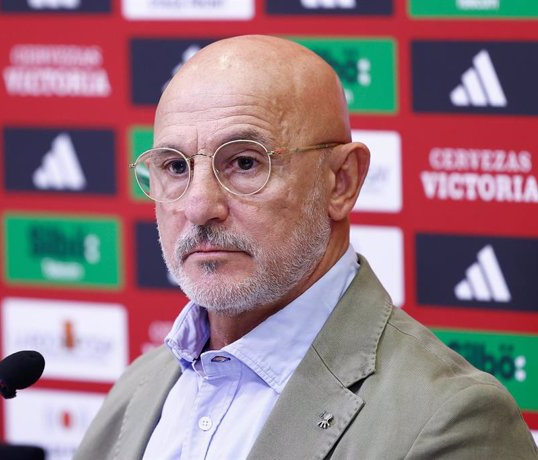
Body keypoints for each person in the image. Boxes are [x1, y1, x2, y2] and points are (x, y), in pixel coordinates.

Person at [74, 35, 537, 459]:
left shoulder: (453, 420)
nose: (199, 206)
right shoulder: (138, 389)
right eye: (175, 167)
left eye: (244, 162)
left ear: (342, 182)